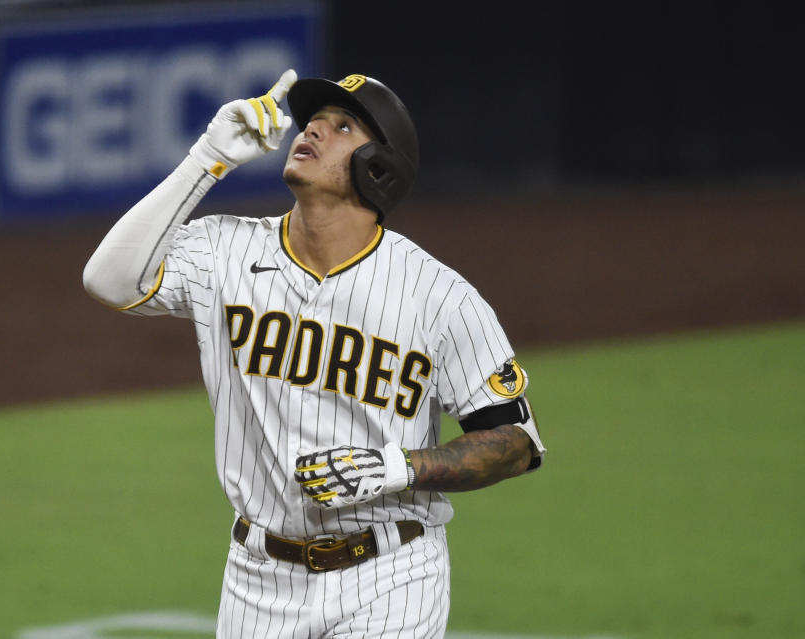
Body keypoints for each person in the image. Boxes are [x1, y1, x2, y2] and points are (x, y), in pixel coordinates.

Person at [83, 69, 546, 638]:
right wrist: (207, 158)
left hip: (392, 573)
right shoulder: (225, 249)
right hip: (257, 580)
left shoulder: (439, 296)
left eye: (342, 126)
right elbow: (110, 281)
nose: (313, 132)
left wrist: (402, 467)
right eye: (313, 121)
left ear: (379, 167)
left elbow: (514, 444)